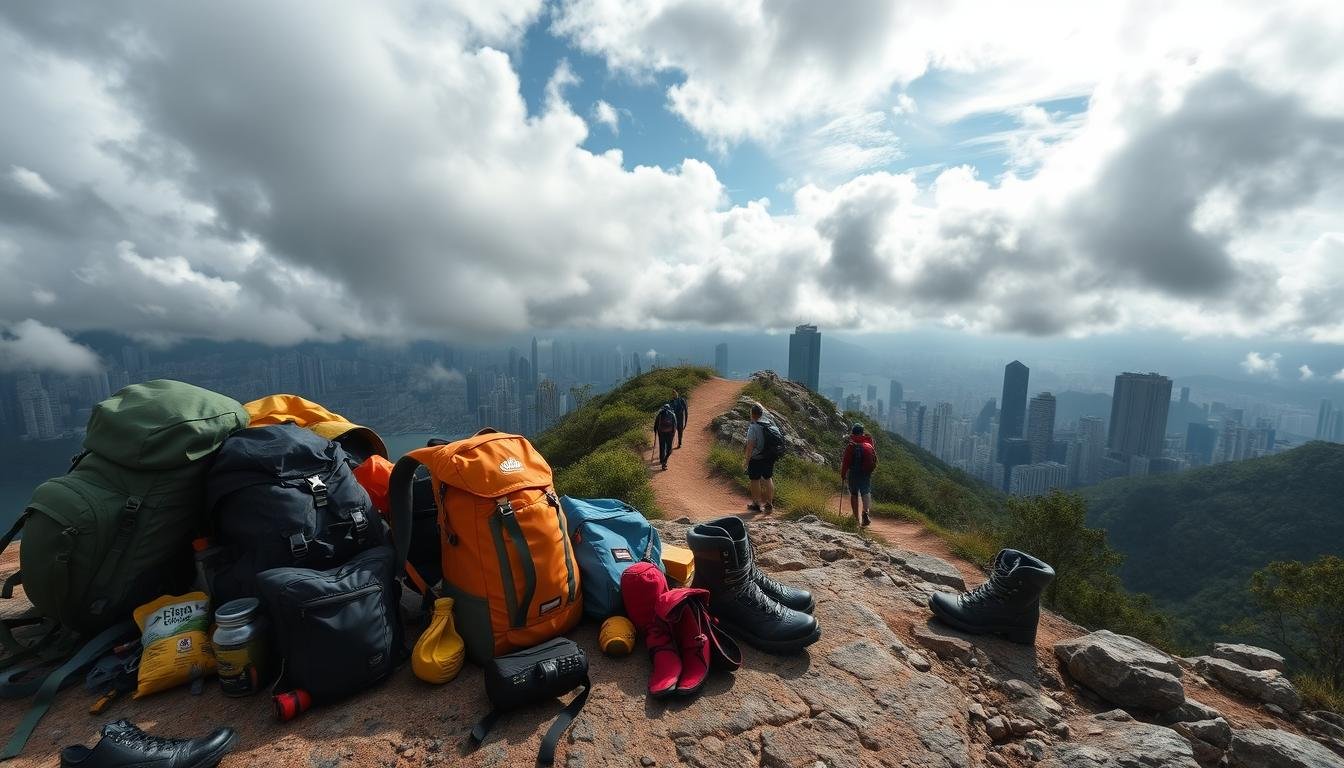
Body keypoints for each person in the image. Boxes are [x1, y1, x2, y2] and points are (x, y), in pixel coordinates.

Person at [743, 404, 776, 514]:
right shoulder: (768, 424)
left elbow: (750, 446)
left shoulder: (753, 427)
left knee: (755, 479)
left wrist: (746, 461)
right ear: (761, 414)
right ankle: (769, 503)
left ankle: (756, 504)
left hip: (756, 457)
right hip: (769, 456)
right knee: (768, 478)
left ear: (752, 414)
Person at [840, 423, 874, 527]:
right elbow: (872, 458)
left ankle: (856, 519)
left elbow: (846, 462)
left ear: (853, 433)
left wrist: (843, 474)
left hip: (854, 473)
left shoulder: (851, 446)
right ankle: (865, 512)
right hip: (865, 472)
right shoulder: (869, 443)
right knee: (866, 492)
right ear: (862, 432)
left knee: (854, 494)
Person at [653, 402, 677, 470]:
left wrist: (655, 432)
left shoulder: (660, 414)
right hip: (669, 434)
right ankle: (664, 462)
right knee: (669, 449)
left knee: (662, 447)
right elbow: (675, 425)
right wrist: (673, 433)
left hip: (661, 433)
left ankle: (661, 460)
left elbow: (655, 425)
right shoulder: (672, 414)